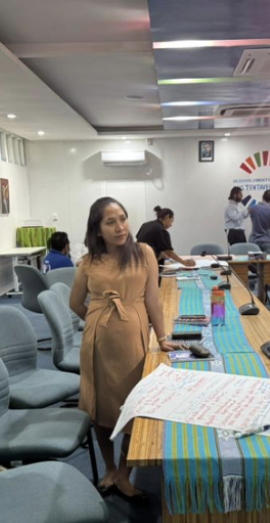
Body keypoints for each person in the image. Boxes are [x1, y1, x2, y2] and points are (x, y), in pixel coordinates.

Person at [70, 197, 183, 500]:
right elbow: (74, 303)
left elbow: (153, 300)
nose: (120, 227)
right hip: (98, 344)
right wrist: (98, 322)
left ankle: (124, 472)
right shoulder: (88, 262)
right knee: (100, 410)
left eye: (123, 218)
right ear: (98, 229)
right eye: (110, 222)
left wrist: (160, 337)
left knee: (134, 407)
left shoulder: (144, 253)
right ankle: (109, 469)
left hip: (133, 340)